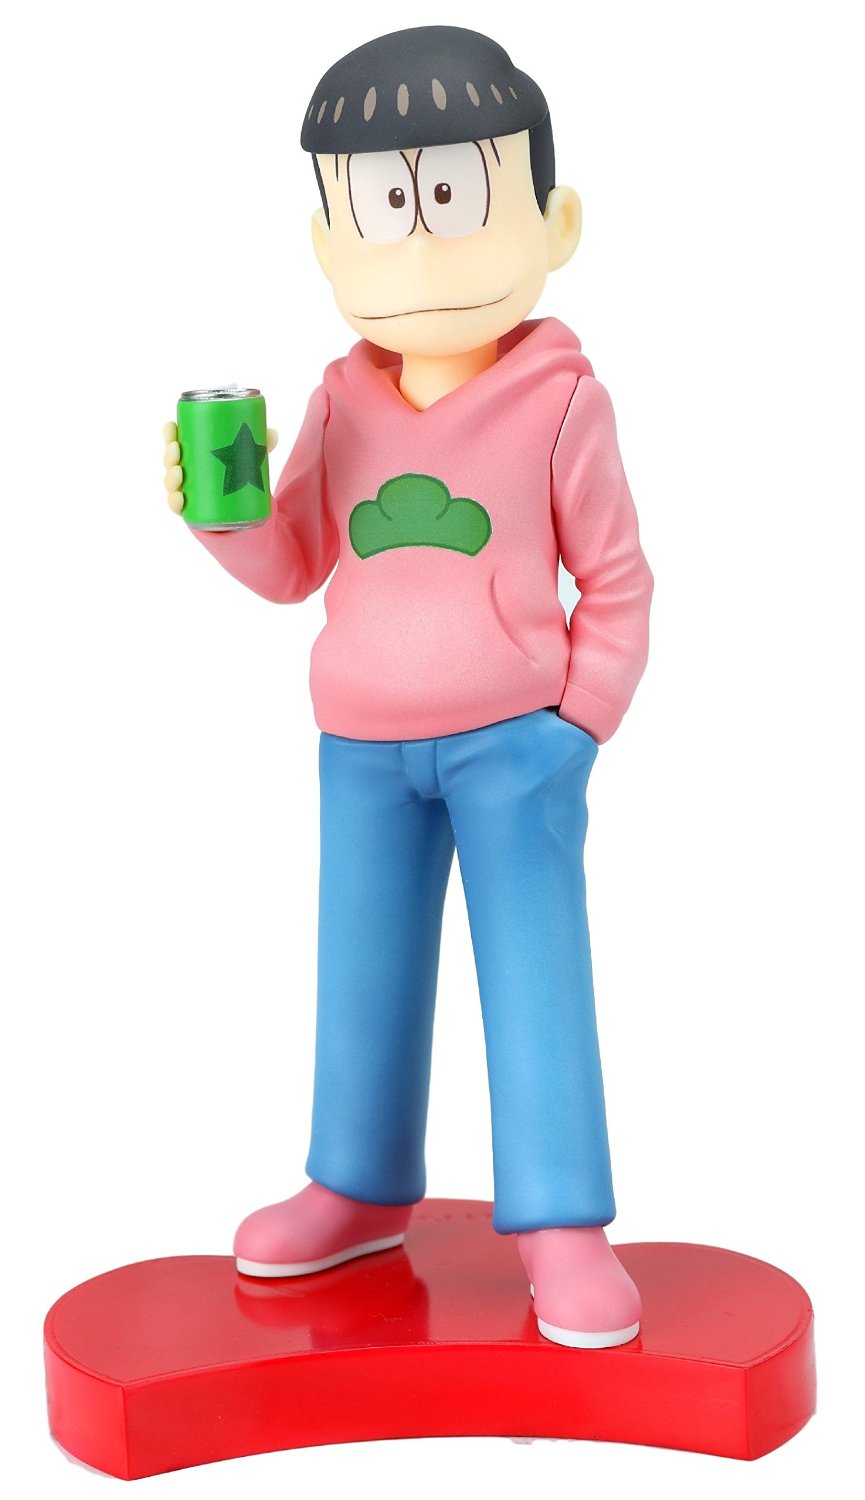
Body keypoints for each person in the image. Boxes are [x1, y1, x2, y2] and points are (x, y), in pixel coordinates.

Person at [162, 24, 653, 1349]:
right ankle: (357, 1183)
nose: (419, 252)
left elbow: (617, 580)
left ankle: (561, 1220)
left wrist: (578, 726)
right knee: (362, 969)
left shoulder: (562, 403)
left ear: (553, 221)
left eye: (452, 197)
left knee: (535, 974)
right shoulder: (340, 400)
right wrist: (222, 516)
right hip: (361, 747)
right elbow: (292, 565)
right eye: (382, 209)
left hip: (516, 745)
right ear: (329, 241)